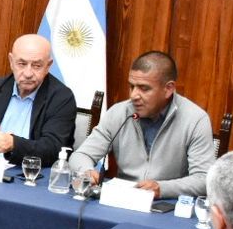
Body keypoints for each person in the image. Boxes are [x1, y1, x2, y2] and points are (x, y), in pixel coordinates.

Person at [69, 50, 215, 198]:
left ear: (168, 89)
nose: (133, 96)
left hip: (166, 205)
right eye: (132, 87)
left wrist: (162, 188)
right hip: (122, 199)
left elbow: (204, 179)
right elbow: (80, 155)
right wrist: (86, 171)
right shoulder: (119, 113)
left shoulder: (195, 119)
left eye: (144, 88)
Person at [0, 33, 76, 163]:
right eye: (22, 63)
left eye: (36, 66)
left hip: (28, 174)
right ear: (11, 62)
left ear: (48, 66)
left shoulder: (61, 97)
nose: (28, 73)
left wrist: (13, 144)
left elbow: (54, 148)